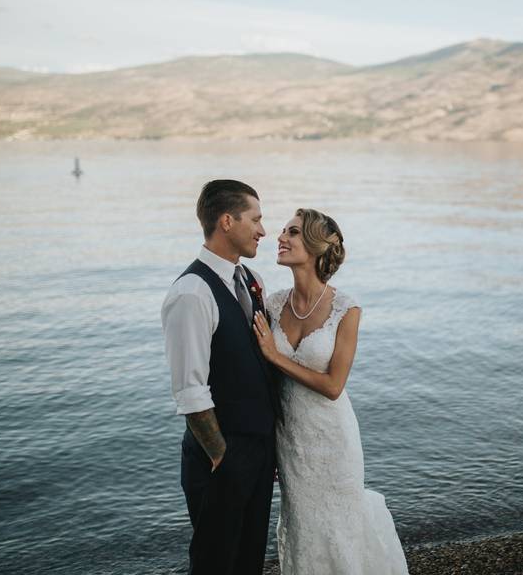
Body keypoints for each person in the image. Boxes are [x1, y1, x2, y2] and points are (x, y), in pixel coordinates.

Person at [252, 208, 409, 575]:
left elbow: (334, 386)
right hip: (291, 441)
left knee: (340, 524)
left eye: (292, 232)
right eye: (283, 230)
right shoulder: (273, 304)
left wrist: (274, 356)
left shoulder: (346, 308)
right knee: (304, 527)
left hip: (333, 438)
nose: (280, 237)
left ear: (315, 245)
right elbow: (265, 381)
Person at [161, 180, 281, 575]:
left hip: (259, 454)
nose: (263, 230)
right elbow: (190, 390)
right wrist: (221, 455)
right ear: (227, 221)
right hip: (222, 458)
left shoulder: (247, 279)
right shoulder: (192, 293)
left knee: (248, 562)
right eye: (256, 219)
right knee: (216, 563)